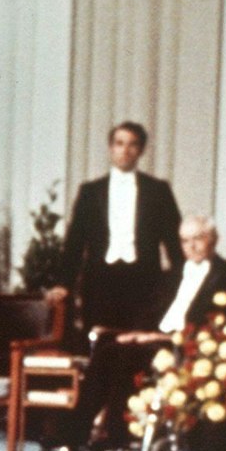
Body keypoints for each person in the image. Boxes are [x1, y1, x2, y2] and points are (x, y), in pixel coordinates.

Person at [60, 214, 226, 451]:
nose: (191, 246)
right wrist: (135, 332)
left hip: (185, 345)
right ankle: (74, 437)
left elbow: (219, 320)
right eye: (185, 241)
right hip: (152, 339)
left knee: (128, 357)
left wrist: (160, 337)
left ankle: (116, 440)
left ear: (213, 240)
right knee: (108, 349)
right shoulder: (171, 275)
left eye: (198, 239)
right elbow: (149, 312)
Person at [51, 122, 183, 338]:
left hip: (144, 280)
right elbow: (75, 242)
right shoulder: (90, 192)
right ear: (111, 148)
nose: (125, 150)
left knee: (139, 344)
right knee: (100, 345)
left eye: (132, 145)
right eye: (119, 144)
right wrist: (64, 283)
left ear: (141, 150)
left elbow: (174, 241)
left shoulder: (158, 190)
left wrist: (182, 281)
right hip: (100, 281)